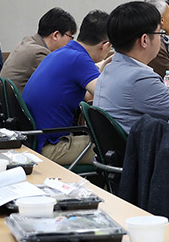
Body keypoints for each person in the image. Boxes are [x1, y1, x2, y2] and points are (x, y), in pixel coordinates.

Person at [24, 10, 113, 167]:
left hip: (35, 139)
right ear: (105, 45)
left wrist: (102, 65)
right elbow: (108, 95)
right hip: (51, 147)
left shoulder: (62, 52)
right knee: (117, 147)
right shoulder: (80, 59)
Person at [94, 1, 169, 133]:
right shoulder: (139, 79)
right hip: (140, 152)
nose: (161, 40)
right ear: (144, 40)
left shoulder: (111, 68)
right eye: (160, 33)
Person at [0, 7, 77, 92]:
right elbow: (63, 85)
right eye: (70, 37)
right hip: (20, 104)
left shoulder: (28, 41)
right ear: (56, 35)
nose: (71, 41)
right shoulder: (39, 53)